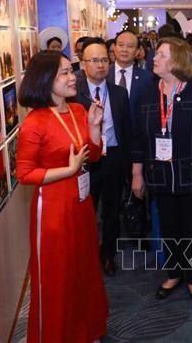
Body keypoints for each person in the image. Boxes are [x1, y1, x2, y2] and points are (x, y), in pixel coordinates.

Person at [16, 50, 107, 342]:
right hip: (53, 210)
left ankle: (84, 330)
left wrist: (94, 128)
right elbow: (24, 174)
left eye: (72, 70)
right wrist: (67, 171)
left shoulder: (79, 110)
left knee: (84, 268)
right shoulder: (34, 123)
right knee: (57, 276)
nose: (73, 77)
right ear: (45, 80)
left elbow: (91, 157)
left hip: (81, 203)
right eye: (65, 73)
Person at [131, 37, 192, 307]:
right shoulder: (148, 92)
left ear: (177, 61)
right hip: (159, 174)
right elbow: (138, 138)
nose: (153, 58)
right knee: (168, 228)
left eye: (160, 54)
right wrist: (137, 173)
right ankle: (173, 273)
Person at [71, 37, 131, 276]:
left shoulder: (119, 93)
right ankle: (86, 255)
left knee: (112, 211)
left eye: (105, 60)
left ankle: (108, 255)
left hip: (114, 158)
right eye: (94, 60)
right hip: (86, 161)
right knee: (87, 211)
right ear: (83, 64)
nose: (101, 65)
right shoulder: (74, 94)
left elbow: (127, 130)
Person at [107, 30, 152, 131]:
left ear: (137, 52)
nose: (124, 49)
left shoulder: (148, 78)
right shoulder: (104, 74)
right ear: (114, 48)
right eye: (121, 45)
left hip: (137, 138)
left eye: (130, 46)